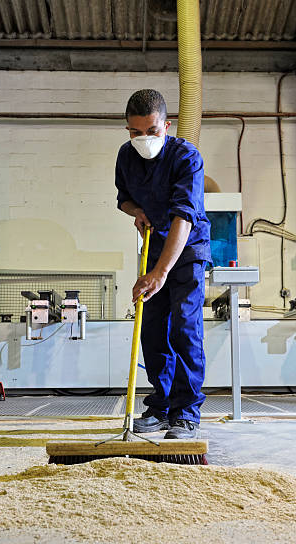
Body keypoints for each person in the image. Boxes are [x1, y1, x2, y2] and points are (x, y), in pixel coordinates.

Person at [115, 89, 212, 440]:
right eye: (135, 133)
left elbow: (183, 217)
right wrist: (136, 211)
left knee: (183, 326)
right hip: (154, 249)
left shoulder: (186, 157)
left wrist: (159, 273)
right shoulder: (126, 156)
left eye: (152, 131)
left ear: (166, 126)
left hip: (187, 250)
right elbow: (123, 198)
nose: (144, 139)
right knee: (152, 329)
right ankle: (161, 407)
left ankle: (186, 413)